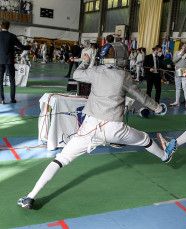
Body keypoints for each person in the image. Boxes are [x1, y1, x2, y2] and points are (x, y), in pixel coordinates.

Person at [17, 42, 171, 209]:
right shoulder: (124, 76)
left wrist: (85, 61)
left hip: (89, 129)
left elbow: (76, 74)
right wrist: (158, 108)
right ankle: (164, 156)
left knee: (61, 159)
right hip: (115, 129)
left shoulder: (96, 71)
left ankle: (30, 196)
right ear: (121, 58)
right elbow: (140, 96)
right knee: (145, 139)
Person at [0, 20, 30, 104]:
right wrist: (29, 47)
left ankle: (2, 99)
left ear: (0, 26)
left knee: (0, 80)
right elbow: (21, 47)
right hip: (9, 61)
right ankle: (12, 99)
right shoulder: (12, 36)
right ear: (8, 27)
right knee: (12, 80)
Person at [171, 43, 186, 109]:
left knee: (185, 88)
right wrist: (180, 55)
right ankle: (176, 101)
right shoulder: (177, 52)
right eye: (184, 46)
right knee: (177, 88)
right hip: (177, 70)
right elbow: (174, 61)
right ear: (181, 46)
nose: (184, 47)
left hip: (185, 71)